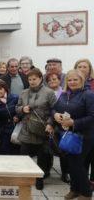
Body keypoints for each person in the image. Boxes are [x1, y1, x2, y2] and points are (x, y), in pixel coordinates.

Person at [52, 70, 94, 200]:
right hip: (68, 135)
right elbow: (54, 108)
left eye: (75, 79)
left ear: (82, 80)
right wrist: (55, 114)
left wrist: (74, 122)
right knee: (71, 163)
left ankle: (86, 192)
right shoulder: (64, 94)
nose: (72, 82)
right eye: (69, 80)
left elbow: (92, 116)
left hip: (84, 136)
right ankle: (74, 190)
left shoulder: (88, 95)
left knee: (77, 164)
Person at [16, 68, 57, 190]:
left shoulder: (49, 93)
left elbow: (54, 110)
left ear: (40, 79)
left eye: (34, 79)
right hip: (26, 129)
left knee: (42, 157)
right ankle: (25, 178)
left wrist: (50, 123)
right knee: (24, 156)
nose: (32, 81)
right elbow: (17, 108)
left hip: (42, 130)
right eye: (30, 79)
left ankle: (39, 179)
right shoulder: (23, 93)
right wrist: (22, 109)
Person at [0, 79, 19, 155]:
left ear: (5, 89)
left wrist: (18, 116)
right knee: (4, 151)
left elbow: (20, 109)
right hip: (3, 131)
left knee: (16, 152)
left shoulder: (14, 98)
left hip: (15, 129)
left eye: (0, 89)